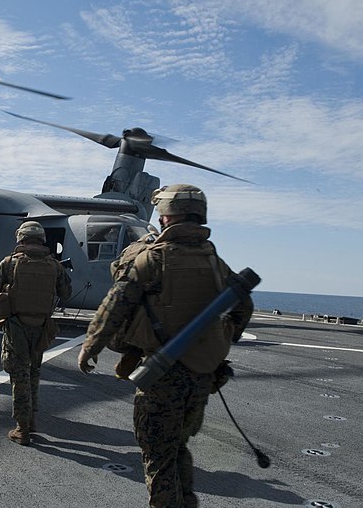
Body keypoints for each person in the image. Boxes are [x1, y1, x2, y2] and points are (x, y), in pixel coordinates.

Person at [77, 184, 253, 508]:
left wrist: (91, 346)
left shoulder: (152, 259)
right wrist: (227, 336)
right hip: (203, 377)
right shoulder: (215, 261)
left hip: (162, 375)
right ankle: (185, 501)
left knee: (156, 455)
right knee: (177, 445)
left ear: (168, 215)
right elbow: (243, 307)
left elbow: (115, 306)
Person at [0, 221, 72, 445]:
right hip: (42, 327)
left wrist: (5, 291)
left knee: (19, 375)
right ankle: (31, 419)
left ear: (20, 239)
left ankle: (22, 428)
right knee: (34, 372)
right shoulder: (54, 266)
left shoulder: (9, 263)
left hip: (16, 327)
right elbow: (67, 292)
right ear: (42, 239)